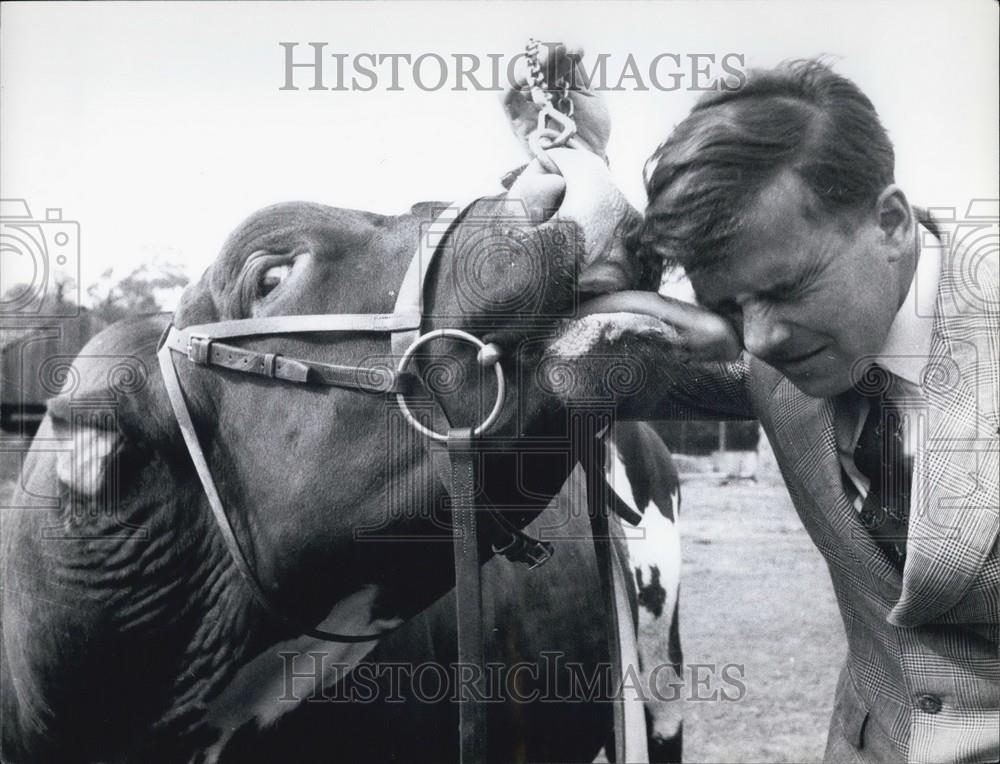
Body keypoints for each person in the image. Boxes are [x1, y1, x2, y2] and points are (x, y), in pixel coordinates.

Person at [513, 51, 998, 763]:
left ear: (891, 223)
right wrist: (576, 170)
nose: (762, 338)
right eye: (729, 305)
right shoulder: (767, 355)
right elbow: (569, 338)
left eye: (786, 289)